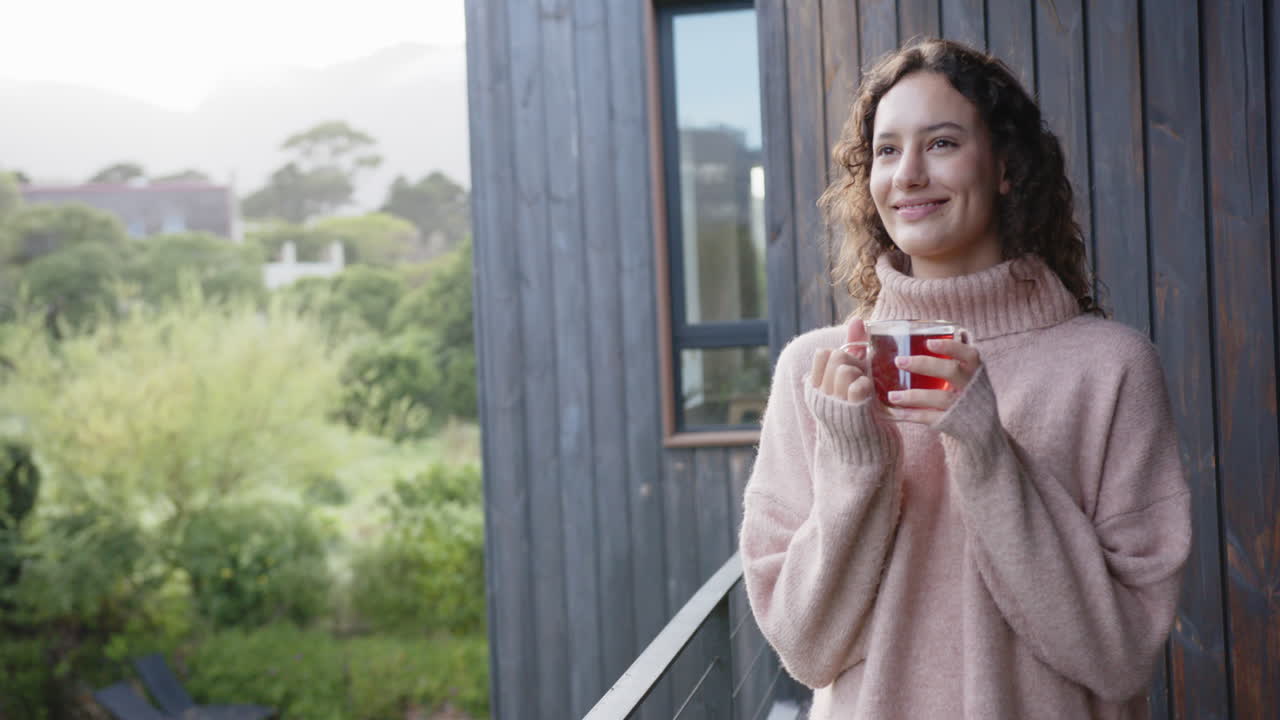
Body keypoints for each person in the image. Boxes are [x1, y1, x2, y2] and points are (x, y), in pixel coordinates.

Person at [739, 38, 1191, 720]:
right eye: (887, 151)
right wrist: (857, 466)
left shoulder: (1110, 369)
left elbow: (1120, 655)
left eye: (942, 143)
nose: (909, 174)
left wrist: (987, 448)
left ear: (1006, 167)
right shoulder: (817, 373)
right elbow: (805, 649)